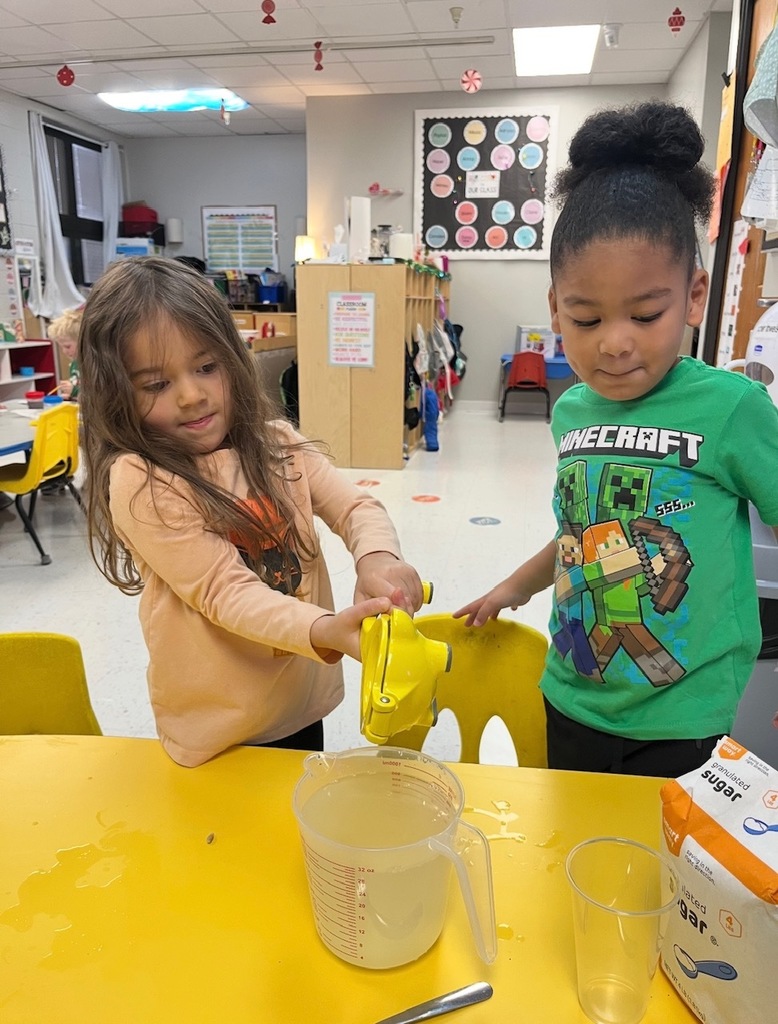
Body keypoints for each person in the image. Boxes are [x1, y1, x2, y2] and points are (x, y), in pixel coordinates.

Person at [455, 101, 778, 778]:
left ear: (693, 297)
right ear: (554, 310)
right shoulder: (571, 410)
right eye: (586, 316)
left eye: (645, 313)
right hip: (572, 695)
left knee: (660, 879)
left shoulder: (730, 407)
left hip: (685, 718)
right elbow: (584, 529)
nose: (616, 341)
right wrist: (513, 587)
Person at [78, 256, 423, 768]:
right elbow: (224, 591)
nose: (192, 396)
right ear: (116, 393)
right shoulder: (142, 481)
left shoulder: (278, 443)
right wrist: (325, 628)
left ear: (231, 361)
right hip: (221, 726)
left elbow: (355, 507)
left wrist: (377, 557)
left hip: (299, 700)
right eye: (156, 385)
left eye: (206, 368)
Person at [47, 305, 83, 400]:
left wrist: (74, 391)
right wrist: (71, 396)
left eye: (67, 346)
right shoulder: (74, 364)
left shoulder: (93, 365)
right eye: (61, 347)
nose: (64, 351)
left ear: (82, 341)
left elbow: (99, 394)